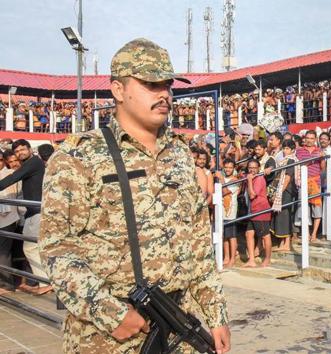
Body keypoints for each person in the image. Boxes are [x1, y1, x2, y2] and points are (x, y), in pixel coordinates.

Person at [39, 38, 230, 353]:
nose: (163, 94)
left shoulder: (180, 154)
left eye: (166, 85)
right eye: (149, 84)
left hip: (177, 325)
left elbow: (199, 245)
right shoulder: (78, 155)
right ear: (118, 90)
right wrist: (109, 312)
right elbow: (57, 248)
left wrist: (216, 313)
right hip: (108, 335)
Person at [0, 139, 51, 295]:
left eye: (23, 149)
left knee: (31, 247)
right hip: (33, 210)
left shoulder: (33, 162)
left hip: (37, 210)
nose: (20, 153)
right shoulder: (32, 163)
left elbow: (13, 177)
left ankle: (45, 282)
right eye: (17, 151)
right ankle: (44, 282)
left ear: (30, 149)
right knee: (33, 246)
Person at [243, 159, 272, 268]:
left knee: (265, 235)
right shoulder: (249, 176)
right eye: (250, 167)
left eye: (254, 168)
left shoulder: (259, 179)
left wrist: (249, 181)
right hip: (252, 210)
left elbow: (252, 195)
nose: (252, 170)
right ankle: (251, 260)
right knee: (249, 234)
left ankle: (267, 259)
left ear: (258, 168)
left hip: (261, 210)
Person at [0, 153, 20, 295]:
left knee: (3, 253)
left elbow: (6, 201)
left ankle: (7, 285)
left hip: (7, 219)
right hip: (6, 219)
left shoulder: (8, 174)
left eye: (0, 160)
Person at [217, 158, 240, 268]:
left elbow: (226, 192)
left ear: (234, 168)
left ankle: (232, 258)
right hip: (221, 210)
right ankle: (226, 257)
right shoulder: (223, 178)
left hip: (230, 210)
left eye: (230, 167)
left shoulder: (235, 180)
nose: (228, 169)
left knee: (231, 235)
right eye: (226, 167)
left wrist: (221, 180)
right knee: (225, 235)